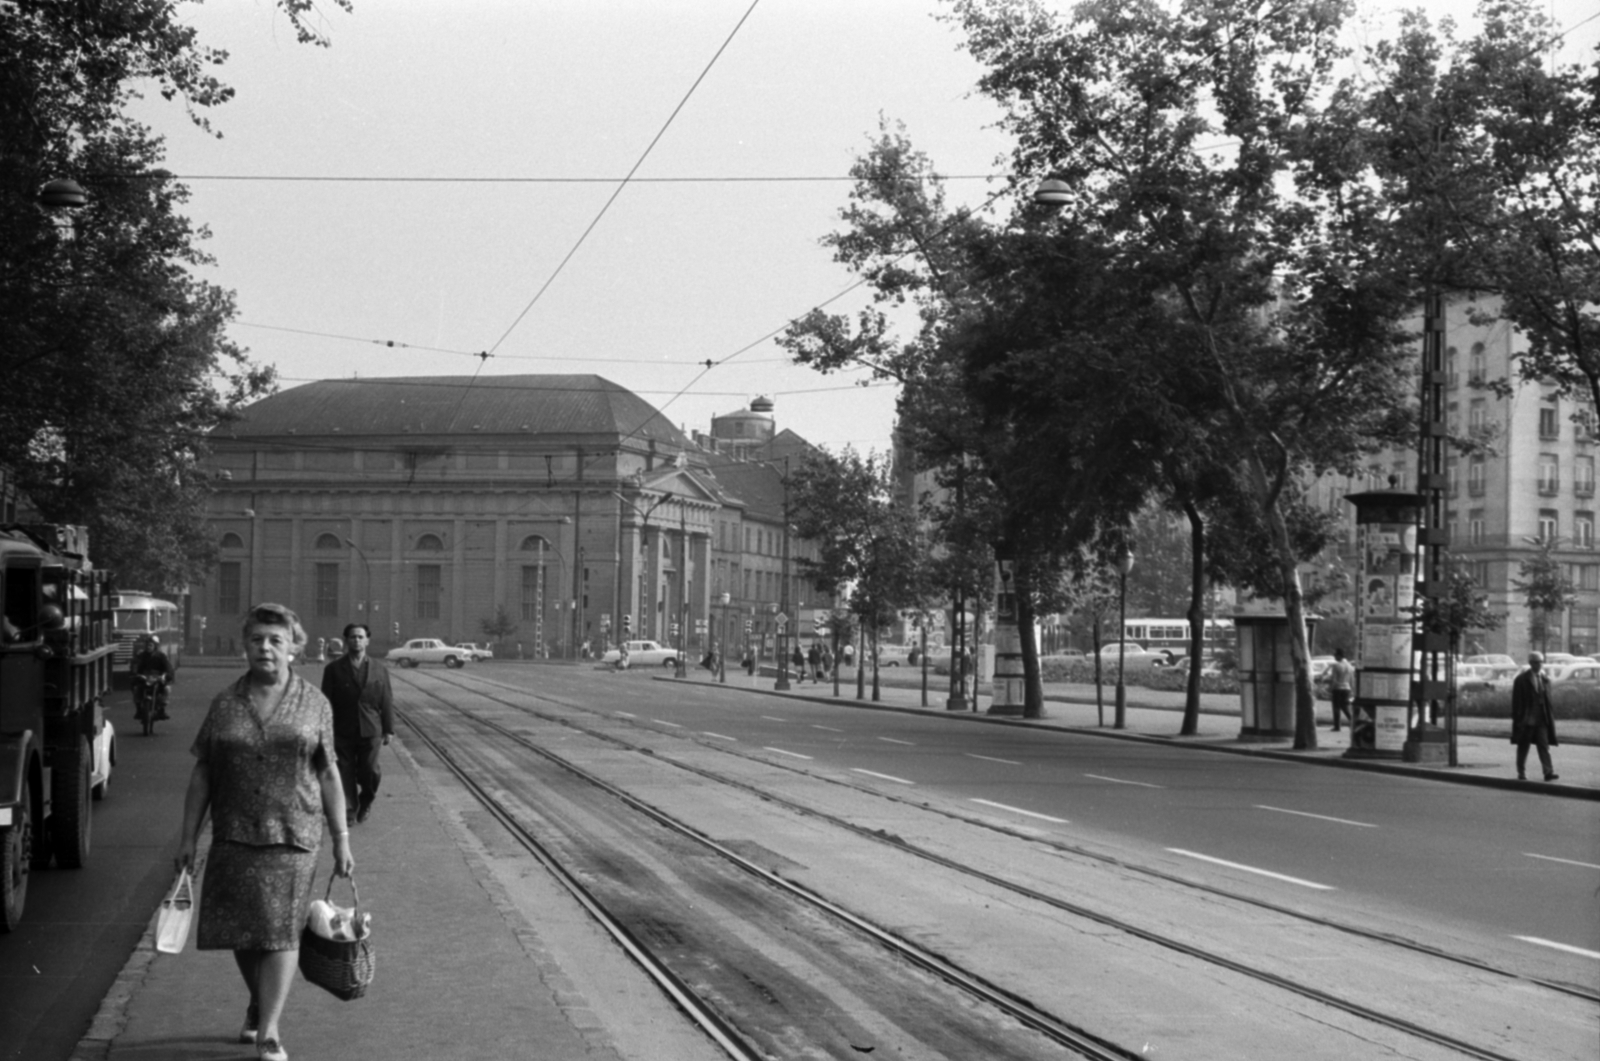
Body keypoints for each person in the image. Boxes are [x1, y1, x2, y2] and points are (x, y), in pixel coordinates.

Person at [176, 603, 353, 1061]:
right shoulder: (225, 703)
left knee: (280, 932)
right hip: (234, 833)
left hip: (295, 835)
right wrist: (187, 838)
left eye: (276, 640)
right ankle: (258, 1000)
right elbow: (203, 773)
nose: (266, 648)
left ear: (295, 647)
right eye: (257, 639)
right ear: (245, 646)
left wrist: (342, 839)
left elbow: (330, 773)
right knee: (242, 932)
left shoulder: (315, 703)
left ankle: (269, 1029)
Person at [319, 623, 395, 827]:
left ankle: (367, 799)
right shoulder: (333, 669)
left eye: (361, 637)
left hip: (371, 729)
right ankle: (349, 811)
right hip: (341, 730)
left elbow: (386, 699)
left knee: (370, 771)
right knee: (344, 771)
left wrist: (389, 729)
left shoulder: (380, 670)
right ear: (346, 640)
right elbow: (325, 702)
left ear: (367, 641)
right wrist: (324, 730)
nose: (357, 641)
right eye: (353, 637)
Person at [1510, 651, 1560, 782]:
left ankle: (1548, 772)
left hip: (1542, 719)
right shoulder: (1521, 680)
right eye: (1536, 662)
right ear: (1530, 663)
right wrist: (1518, 719)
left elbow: (1548, 701)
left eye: (1541, 662)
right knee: (1523, 747)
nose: (1539, 665)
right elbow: (1516, 702)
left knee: (1544, 746)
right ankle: (1521, 772)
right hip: (1527, 720)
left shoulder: (1545, 679)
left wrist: (1550, 717)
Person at [131, 634, 176, 720]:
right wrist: (135, 674)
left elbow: (169, 668)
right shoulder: (141, 656)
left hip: (157, 679)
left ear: (155, 646)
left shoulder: (161, 656)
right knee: (136, 689)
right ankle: (138, 710)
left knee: (166, 689)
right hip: (144, 679)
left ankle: (162, 710)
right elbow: (135, 667)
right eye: (147, 645)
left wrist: (166, 676)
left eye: (150, 645)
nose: (148, 647)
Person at [1327, 648, 1355, 732]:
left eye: (1335, 655)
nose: (1334, 657)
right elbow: (1352, 680)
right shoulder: (1350, 666)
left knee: (1336, 707)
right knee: (1345, 707)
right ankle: (1353, 722)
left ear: (1339, 655)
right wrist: (1352, 690)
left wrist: (1330, 689)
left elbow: (1334, 679)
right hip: (1347, 689)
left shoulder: (1336, 666)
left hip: (1337, 689)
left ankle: (1337, 726)